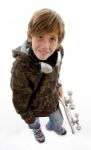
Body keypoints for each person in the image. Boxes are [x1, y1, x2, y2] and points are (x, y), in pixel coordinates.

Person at [10, 8, 66, 143]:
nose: (45, 46)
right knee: (34, 123)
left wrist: (58, 85)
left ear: (58, 42)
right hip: (33, 109)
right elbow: (19, 99)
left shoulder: (58, 54)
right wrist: (29, 117)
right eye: (40, 36)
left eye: (52, 38)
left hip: (52, 101)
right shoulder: (21, 68)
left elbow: (56, 73)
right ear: (30, 36)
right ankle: (36, 128)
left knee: (59, 122)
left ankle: (53, 127)